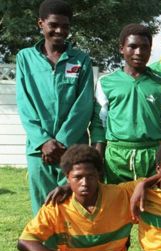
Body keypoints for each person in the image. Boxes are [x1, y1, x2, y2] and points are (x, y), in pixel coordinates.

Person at [16, 0, 94, 215]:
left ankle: (73, 250)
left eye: (66, 26)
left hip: (72, 148)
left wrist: (61, 143)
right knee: (43, 209)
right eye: (53, 25)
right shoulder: (25, 58)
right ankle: (44, 248)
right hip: (38, 150)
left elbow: (84, 104)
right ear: (40, 24)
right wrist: (43, 141)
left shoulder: (80, 60)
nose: (60, 31)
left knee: (73, 207)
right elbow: (24, 103)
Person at [91, 24, 161, 184]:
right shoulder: (106, 82)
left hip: (152, 155)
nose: (139, 52)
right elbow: (98, 125)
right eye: (132, 46)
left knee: (153, 206)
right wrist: (97, 160)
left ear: (150, 50)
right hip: (116, 157)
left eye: (144, 47)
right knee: (118, 205)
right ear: (121, 48)